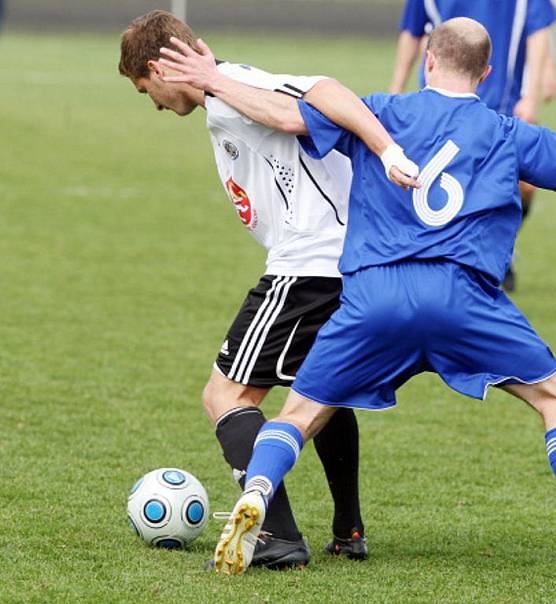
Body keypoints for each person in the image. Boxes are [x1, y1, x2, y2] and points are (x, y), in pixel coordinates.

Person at [160, 18, 556, 580]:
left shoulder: (381, 113)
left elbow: (288, 115)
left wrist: (214, 78)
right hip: (464, 300)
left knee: (296, 414)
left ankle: (258, 496)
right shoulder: (504, 131)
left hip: (375, 298)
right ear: (487, 73)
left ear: (427, 58)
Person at [118, 10, 418, 569]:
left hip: (310, 267)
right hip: (336, 262)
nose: (156, 104)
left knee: (225, 396)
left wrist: (386, 150)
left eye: (146, 90)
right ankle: (348, 528)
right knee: (321, 387)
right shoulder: (226, 94)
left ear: (161, 69)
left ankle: (277, 536)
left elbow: (322, 94)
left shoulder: (232, 88)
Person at [389, 0, 556, 292]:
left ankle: (500, 251)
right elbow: (412, 30)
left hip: (500, 102)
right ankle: (441, 259)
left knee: (524, 186)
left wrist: (532, 93)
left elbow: (538, 30)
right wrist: (396, 87)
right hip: (438, 101)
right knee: (440, 182)